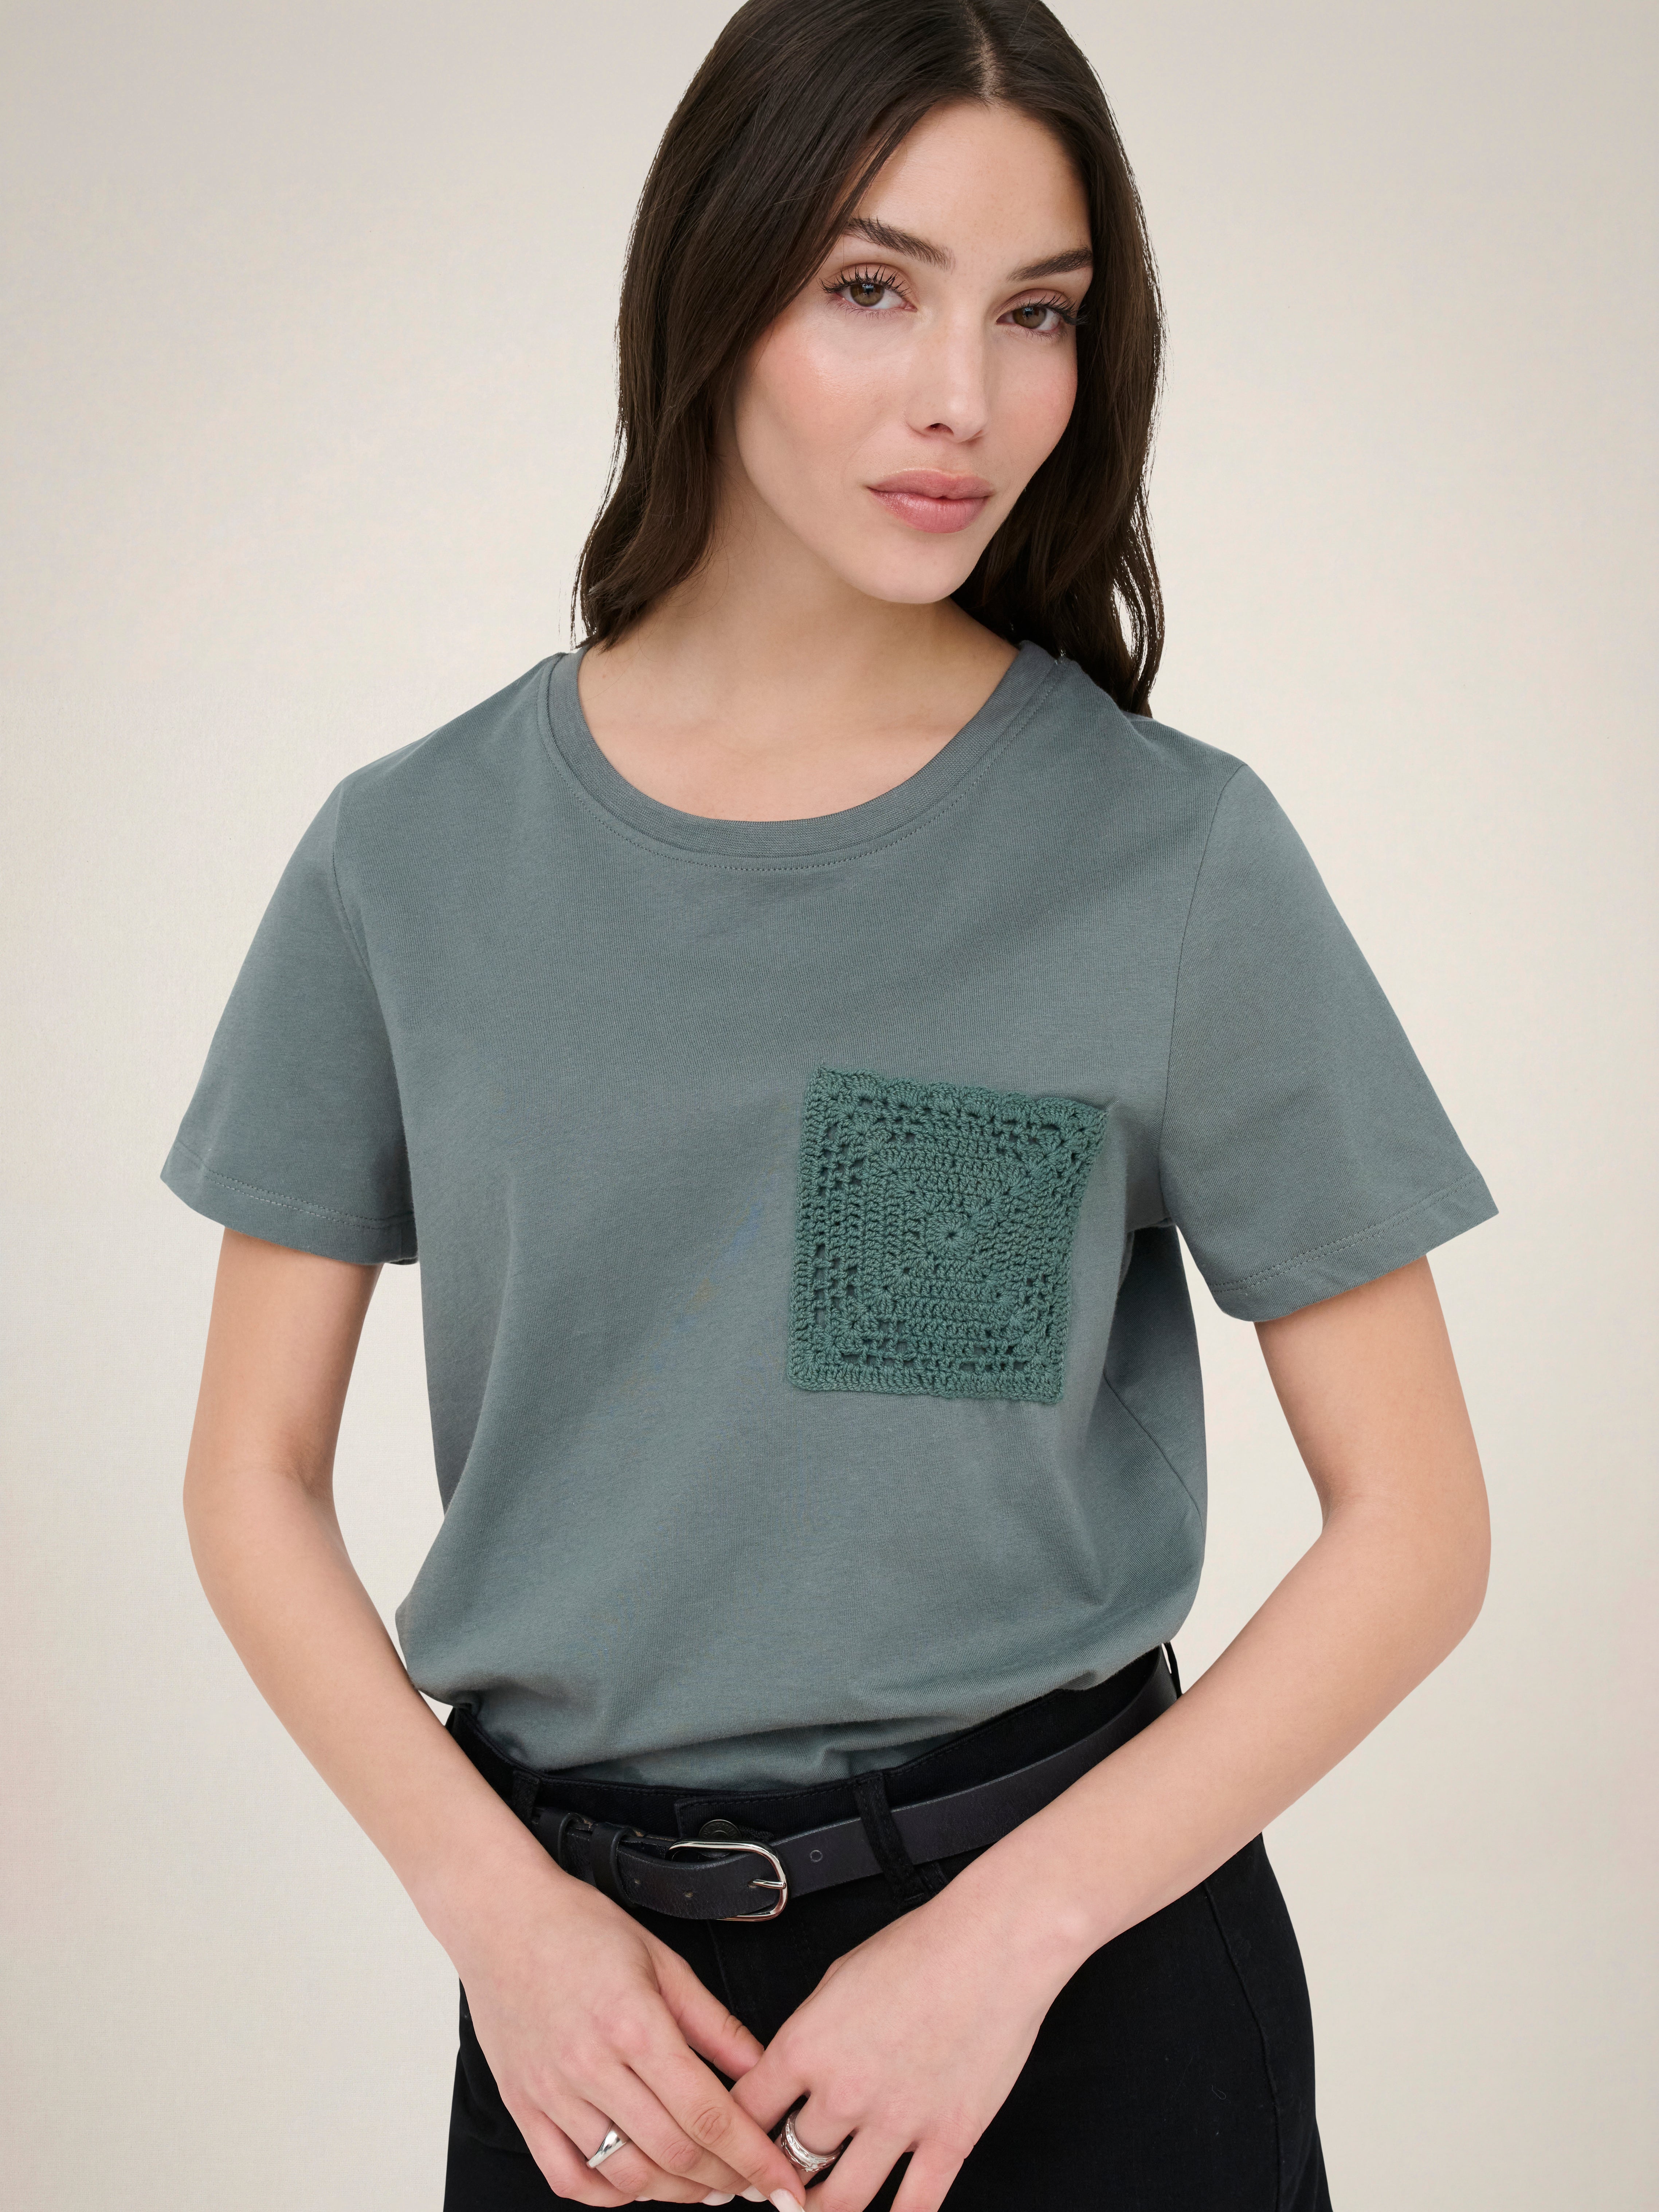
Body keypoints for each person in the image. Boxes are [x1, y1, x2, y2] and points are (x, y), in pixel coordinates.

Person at [161, 3, 1497, 2207]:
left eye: (1037, 312)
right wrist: (497, 1917)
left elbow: (1420, 1527)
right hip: (589, 2025)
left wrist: (1009, 1940)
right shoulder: (407, 858)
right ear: (713, 289)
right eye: (873, 288)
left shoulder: (1170, 857)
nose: (965, 396)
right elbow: (248, 1477)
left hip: (1077, 1994)